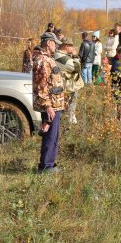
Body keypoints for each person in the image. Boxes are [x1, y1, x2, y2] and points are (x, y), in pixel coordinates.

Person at [32, 31, 65, 173]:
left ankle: (49, 163)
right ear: (48, 43)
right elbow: (41, 85)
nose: (56, 46)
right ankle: (46, 166)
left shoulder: (47, 59)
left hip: (56, 105)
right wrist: (48, 106)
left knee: (53, 135)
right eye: (54, 43)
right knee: (50, 136)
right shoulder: (42, 61)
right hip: (51, 106)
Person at [54, 40, 83, 125]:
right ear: (66, 46)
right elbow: (77, 68)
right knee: (69, 108)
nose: (73, 48)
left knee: (67, 108)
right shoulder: (62, 58)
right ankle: (67, 127)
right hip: (68, 87)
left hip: (67, 86)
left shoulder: (61, 56)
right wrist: (75, 57)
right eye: (71, 46)